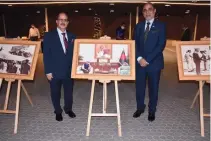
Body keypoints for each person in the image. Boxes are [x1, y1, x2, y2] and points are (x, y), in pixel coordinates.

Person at [133, 2, 166, 121]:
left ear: (154, 10)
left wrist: (148, 59)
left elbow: (161, 45)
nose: (147, 12)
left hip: (154, 63)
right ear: (142, 13)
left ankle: (152, 110)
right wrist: (139, 58)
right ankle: (140, 107)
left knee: (153, 88)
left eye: (150, 9)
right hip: (140, 63)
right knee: (139, 87)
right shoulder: (138, 26)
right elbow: (134, 44)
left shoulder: (161, 26)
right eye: (145, 10)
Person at [43, 12, 76, 121]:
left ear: (68, 22)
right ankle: (58, 111)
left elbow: (76, 54)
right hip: (54, 71)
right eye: (61, 20)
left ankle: (68, 109)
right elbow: (46, 55)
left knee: (68, 93)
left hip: (69, 71)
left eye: (65, 20)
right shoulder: (49, 36)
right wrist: (48, 71)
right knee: (55, 93)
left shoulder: (72, 36)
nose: (63, 22)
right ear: (57, 22)